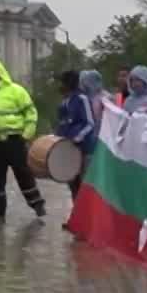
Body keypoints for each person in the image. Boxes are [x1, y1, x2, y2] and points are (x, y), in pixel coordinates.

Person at [0, 57, 46, 218]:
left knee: (23, 173)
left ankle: (37, 203)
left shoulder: (16, 91)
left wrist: (26, 134)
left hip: (14, 141)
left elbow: (31, 112)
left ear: (1, 73)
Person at [53, 69, 99, 203]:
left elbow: (90, 123)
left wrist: (77, 137)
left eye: (63, 82)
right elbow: (62, 123)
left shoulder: (81, 99)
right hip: (67, 147)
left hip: (82, 148)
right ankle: (76, 217)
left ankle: (86, 218)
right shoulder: (65, 101)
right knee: (72, 184)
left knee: (83, 184)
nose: (60, 85)